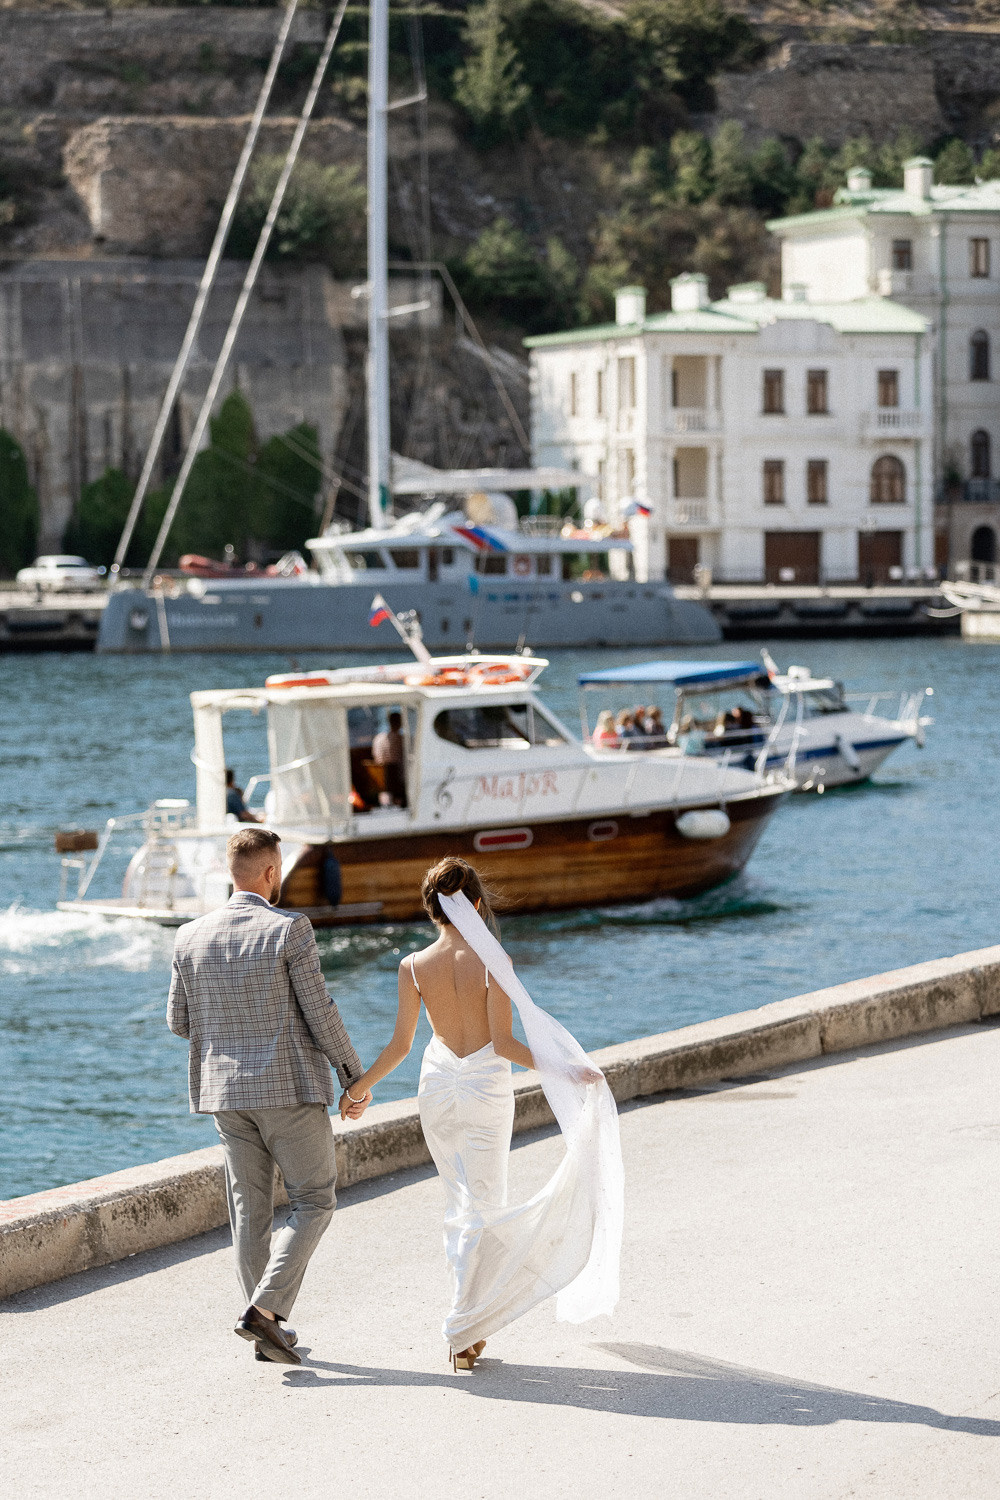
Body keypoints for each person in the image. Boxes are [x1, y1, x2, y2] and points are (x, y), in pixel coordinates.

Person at [338, 857, 623, 1372]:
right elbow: (505, 1044)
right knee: (486, 1205)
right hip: (485, 1089)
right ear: (472, 904)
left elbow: (401, 1046)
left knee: (460, 1204)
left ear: (431, 908)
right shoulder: (494, 962)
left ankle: (470, 1327)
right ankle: (462, 1327)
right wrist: (566, 1070)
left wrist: (359, 1087)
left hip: (438, 1087)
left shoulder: (412, 966)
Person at [167, 826, 369, 1366]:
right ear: (271, 872)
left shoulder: (189, 935)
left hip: (225, 1095)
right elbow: (319, 1009)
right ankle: (264, 1313)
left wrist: (231, 1037)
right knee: (315, 1200)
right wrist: (353, 1074)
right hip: (288, 1090)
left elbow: (179, 1022)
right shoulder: (290, 929)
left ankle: (266, 1325)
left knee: (248, 1211)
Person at [371, 709, 406, 806]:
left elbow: (376, 757)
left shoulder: (378, 738)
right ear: (400, 723)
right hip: (397, 780)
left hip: (380, 781)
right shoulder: (402, 740)